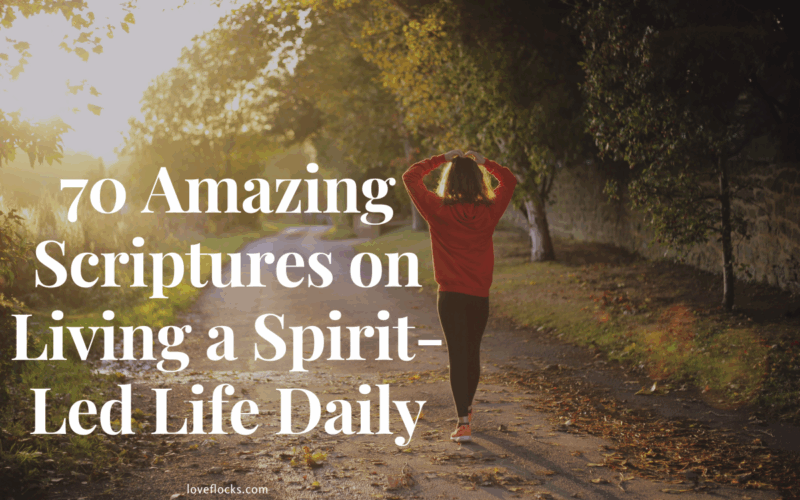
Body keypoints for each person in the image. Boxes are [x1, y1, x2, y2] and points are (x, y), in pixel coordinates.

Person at [402, 149, 518, 443]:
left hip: (450, 296)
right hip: (478, 295)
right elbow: (509, 180)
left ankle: (463, 422)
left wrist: (441, 158)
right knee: (472, 352)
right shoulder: (489, 211)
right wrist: (486, 162)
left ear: (449, 181)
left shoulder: (438, 209)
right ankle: (466, 409)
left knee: (457, 355)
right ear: (479, 181)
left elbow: (411, 177)